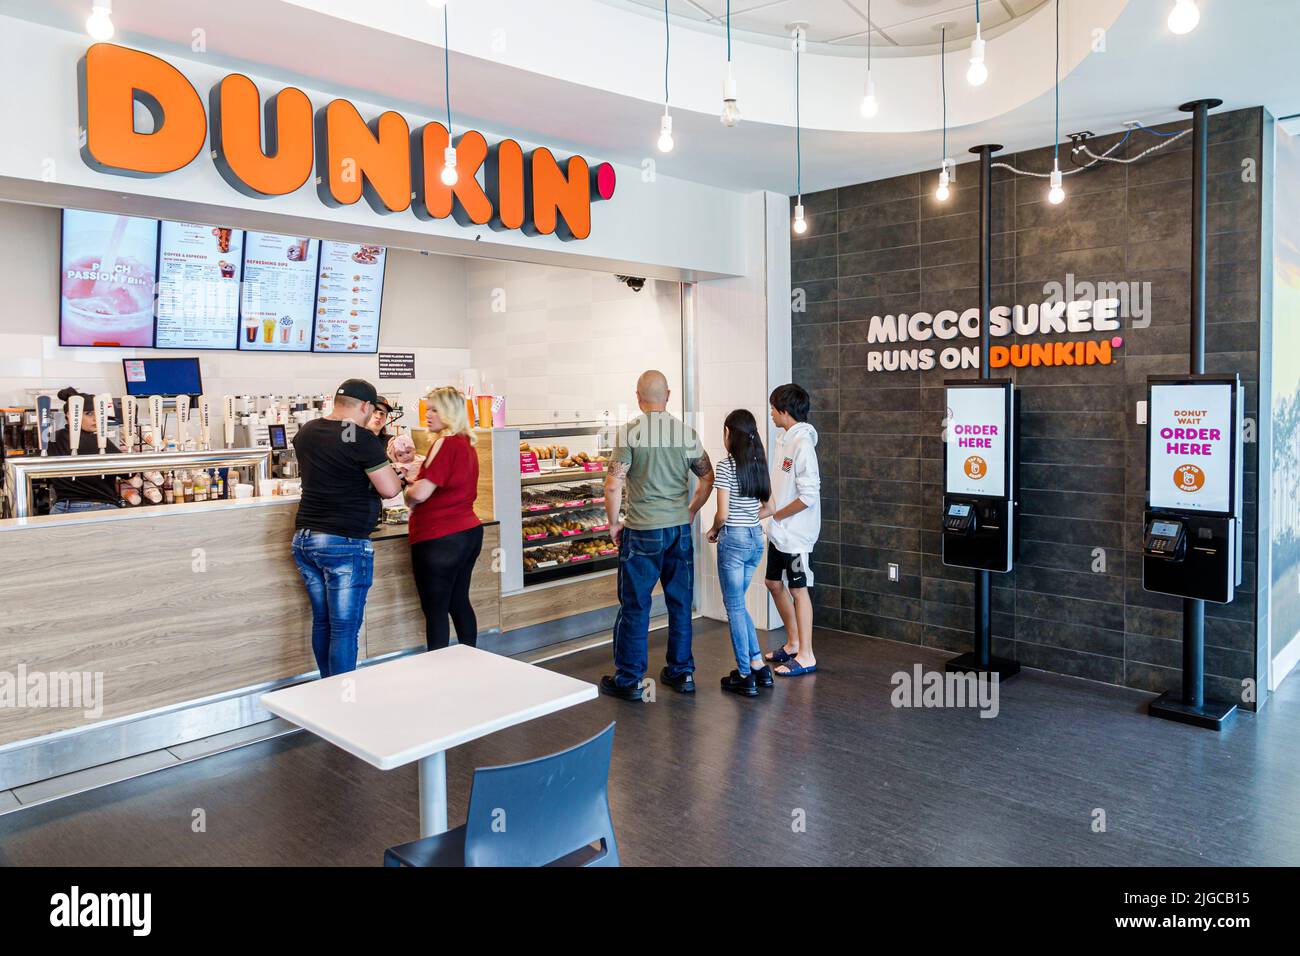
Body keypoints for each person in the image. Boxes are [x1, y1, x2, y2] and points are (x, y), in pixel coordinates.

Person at [600, 370, 714, 700]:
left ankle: (630, 680)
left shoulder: (630, 433)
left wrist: (612, 523)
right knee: (680, 604)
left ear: (638, 396)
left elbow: (612, 484)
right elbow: (707, 478)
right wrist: (690, 510)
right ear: (669, 394)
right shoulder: (686, 433)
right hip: (678, 530)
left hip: (642, 531)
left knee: (636, 607)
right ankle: (682, 674)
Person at [291, 378, 403, 678]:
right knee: (343, 629)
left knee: (323, 622)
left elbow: (335, 471)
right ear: (365, 406)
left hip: (305, 539)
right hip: (343, 542)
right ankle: (341, 700)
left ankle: (328, 690)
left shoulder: (306, 431)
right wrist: (397, 471)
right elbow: (390, 489)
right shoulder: (359, 436)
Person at [403, 385, 483, 651]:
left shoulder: (444, 443)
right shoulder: (467, 444)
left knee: (435, 609)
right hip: (469, 532)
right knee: (459, 601)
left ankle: (439, 673)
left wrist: (406, 489)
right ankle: (471, 660)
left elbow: (421, 494)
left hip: (439, 536)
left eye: (435, 409)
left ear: (449, 413)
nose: (428, 414)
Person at [706, 409, 774, 697]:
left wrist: (713, 530)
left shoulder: (726, 466)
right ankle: (759, 665)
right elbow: (770, 508)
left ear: (728, 434)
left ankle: (745, 675)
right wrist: (748, 520)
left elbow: (722, 513)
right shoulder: (759, 464)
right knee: (739, 603)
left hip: (733, 540)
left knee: (734, 607)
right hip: (756, 540)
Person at [763, 383, 822, 677]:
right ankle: (793, 642)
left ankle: (807, 655)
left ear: (784, 411)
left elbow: (808, 496)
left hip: (796, 534)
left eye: (773, 408)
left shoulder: (803, 444)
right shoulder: (783, 439)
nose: (770, 413)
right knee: (773, 583)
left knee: (799, 589)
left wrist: (777, 514)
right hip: (779, 531)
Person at [48, 387, 123, 513]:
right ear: (70, 415)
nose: (95, 419)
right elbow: (128, 473)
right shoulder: (99, 440)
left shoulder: (52, 437)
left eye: (98, 413)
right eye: (89, 413)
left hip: (60, 509)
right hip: (100, 507)